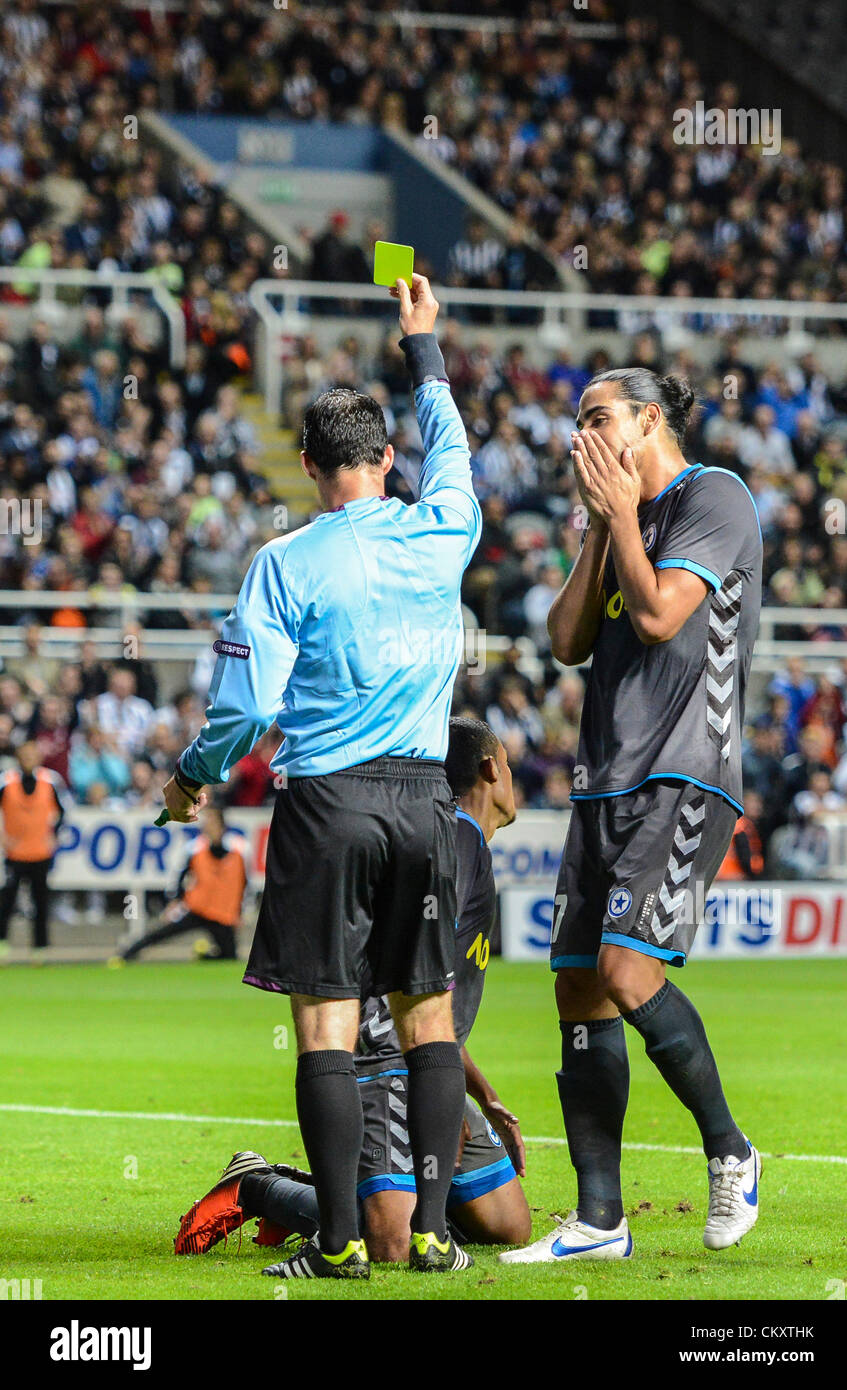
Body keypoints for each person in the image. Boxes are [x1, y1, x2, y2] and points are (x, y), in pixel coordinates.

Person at [158, 274, 483, 1279]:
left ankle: (338, 1239)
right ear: (389, 461)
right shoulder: (444, 527)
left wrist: (190, 777)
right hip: (427, 801)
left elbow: (246, 710)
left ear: (306, 467)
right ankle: (432, 1233)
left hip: (327, 804)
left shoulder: (282, 562)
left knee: (326, 1029)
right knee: (428, 1016)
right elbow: (459, 452)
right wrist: (420, 342)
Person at [501, 367, 763, 1266]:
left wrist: (619, 519)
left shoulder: (715, 497)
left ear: (650, 420)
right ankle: (599, 1222)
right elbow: (568, 640)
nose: (582, 433)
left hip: (686, 773)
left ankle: (731, 1150)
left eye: (598, 417)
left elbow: (657, 617)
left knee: (624, 966)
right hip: (603, 781)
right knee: (577, 983)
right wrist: (597, 526)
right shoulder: (613, 517)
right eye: (578, 419)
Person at [174, 718, 532, 1266]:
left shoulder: (470, 845)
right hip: (385, 1056)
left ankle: (391, 1193)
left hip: (430, 1064)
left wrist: (479, 1094)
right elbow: (404, 990)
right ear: (491, 769)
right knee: (387, 1245)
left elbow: (438, 1006)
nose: (512, 776)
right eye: (507, 764)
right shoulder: (449, 839)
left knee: (509, 1226)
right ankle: (259, 1185)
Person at [113, 807, 247, 963]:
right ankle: (127, 954)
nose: (207, 825)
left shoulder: (238, 850)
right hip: (199, 907)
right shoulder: (196, 849)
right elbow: (179, 878)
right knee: (162, 933)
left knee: (230, 956)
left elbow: (243, 884)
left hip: (223, 913)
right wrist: (175, 901)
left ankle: (203, 955)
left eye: (211, 820)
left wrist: (240, 911)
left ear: (221, 825)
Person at [0, 741, 66, 956]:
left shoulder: (50, 780)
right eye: (24, 755)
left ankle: (40, 947)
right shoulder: (6, 780)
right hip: (14, 852)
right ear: (18, 757)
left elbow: (64, 811)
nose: (28, 759)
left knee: (41, 902)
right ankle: (2, 944)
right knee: (6, 901)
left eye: (32, 755)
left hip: (40, 851)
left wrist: (54, 836)